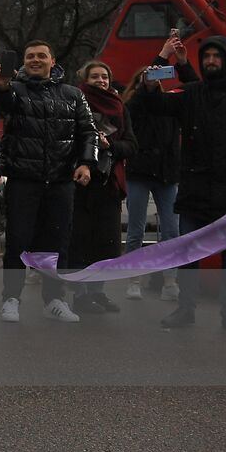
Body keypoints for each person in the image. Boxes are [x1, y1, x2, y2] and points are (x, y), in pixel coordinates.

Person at [139, 37, 226, 333]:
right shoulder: (190, 94)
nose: (211, 61)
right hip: (195, 189)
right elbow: (153, 101)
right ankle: (185, 309)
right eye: (207, 57)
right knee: (188, 252)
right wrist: (162, 59)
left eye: (217, 56)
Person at [0, 40, 98, 325]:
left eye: (41, 56)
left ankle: (55, 299)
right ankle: (10, 298)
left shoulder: (73, 94)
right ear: (23, 62)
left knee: (57, 243)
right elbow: (1, 103)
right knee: (17, 242)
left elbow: (89, 132)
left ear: (53, 60)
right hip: (24, 180)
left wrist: (86, 163)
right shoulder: (15, 90)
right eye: (29, 56)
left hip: (61, 181)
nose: (35, 60)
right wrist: (0, 84)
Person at [69, 60, 137, 315]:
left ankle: (98, 292)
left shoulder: (120, 107)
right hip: (80, 183)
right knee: (80, 241)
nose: (101, 81)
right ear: (85, 80)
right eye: (95, 76)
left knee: (106, 242)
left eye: (105, 77)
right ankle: (80, 294)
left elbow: (131, 144)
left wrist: (111, 146)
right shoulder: (76, 101)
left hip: (109, 183)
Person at [123, 56, 182, 301]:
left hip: (167, 173)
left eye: (155, 79)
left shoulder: (168, 104)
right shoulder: (131, 105)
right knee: (135, 228)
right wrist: (142, 88)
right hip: (139, 171)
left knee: (171, 229)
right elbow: (132, 109)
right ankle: (134, 279)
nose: (150, 83)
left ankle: (170, 280)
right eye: (144, 80)